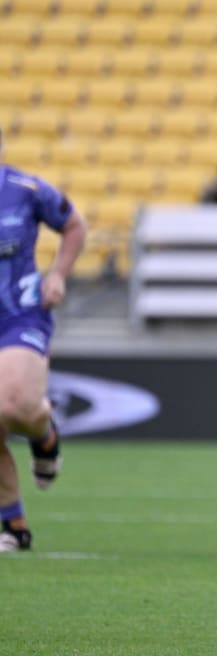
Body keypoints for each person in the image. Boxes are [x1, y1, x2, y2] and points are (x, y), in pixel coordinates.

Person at [0, 128, 87, 552]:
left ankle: (43, 435)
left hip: (20, 313)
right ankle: (13, 526)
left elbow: (73, 225)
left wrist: (57, 275)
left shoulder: (25, 189)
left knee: (13, 406)